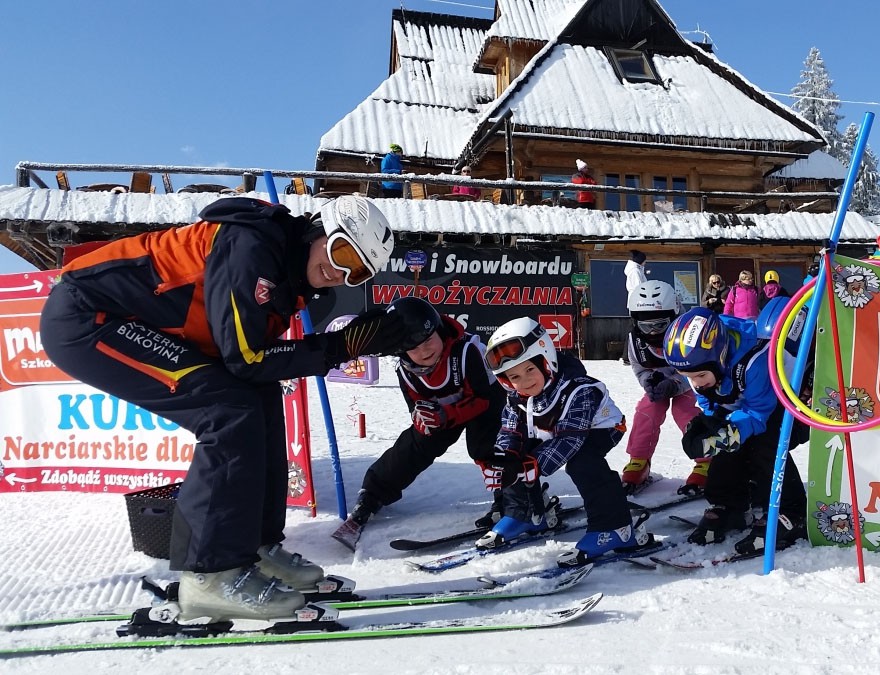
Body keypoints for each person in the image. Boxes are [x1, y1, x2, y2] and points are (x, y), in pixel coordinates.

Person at [39, 196, 405, 622]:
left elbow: (256, 363)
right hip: (89, 317)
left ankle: (254, 549)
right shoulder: (252, 248)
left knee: (259, 397)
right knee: (228, 411)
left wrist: (344, 344)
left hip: (131, 320)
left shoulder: (287, 272)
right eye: (342, 253)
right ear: (318, 230)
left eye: (357, 272)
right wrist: (341, 346)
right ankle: (209, 575)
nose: (340, 273)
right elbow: (246, 357)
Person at [332, 296, 507, 550]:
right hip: (444, 410)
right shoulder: (405, 370)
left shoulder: (466, 351)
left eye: (427, 341)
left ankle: (511, 496)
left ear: (438, 330)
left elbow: (481, 399)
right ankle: (372, 495)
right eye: (413, 347)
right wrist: (422, 418)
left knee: (486, 445)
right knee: (414, 445)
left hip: (483, 403)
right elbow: (415, 405)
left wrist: (445, 415)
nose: (424, 351)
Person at [477, 318, 654, 566]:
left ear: (546, 360)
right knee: (513, 457)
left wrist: (532, 466)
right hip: (553, 431)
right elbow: (510, 431)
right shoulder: (517, 397)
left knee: (582, 462)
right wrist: (504, 459)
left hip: (599, 428)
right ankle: (525, 514)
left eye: (530, 370)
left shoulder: (579, 390)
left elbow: (570, 438)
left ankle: (615, 528)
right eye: (514, 376)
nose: (524, 381)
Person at [662, 308, 808, 555]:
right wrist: (708, 425)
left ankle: (791, 512)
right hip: (749, 407)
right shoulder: (700, 364)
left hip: (791, 405)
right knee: (726, 443)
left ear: (720, 356)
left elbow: (758, 413)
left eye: (700, 375)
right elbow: (711, 401)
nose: (695, 383)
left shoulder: (753, 360)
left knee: (762, 444)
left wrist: (728, 433)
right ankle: (730, 505)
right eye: (687, 377)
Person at [622, 281, 710, 495]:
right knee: (647, 410)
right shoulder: (636, 341)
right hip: (660, 384)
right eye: (646, 326)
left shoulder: (688, 335)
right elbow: (640, 368)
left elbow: (700, 370)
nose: (653, 332)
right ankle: (639, 459)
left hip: (690, 383)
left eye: (660, 325)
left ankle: (707, 459)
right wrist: (649, 382)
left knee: (685, 412)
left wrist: (675, 383)